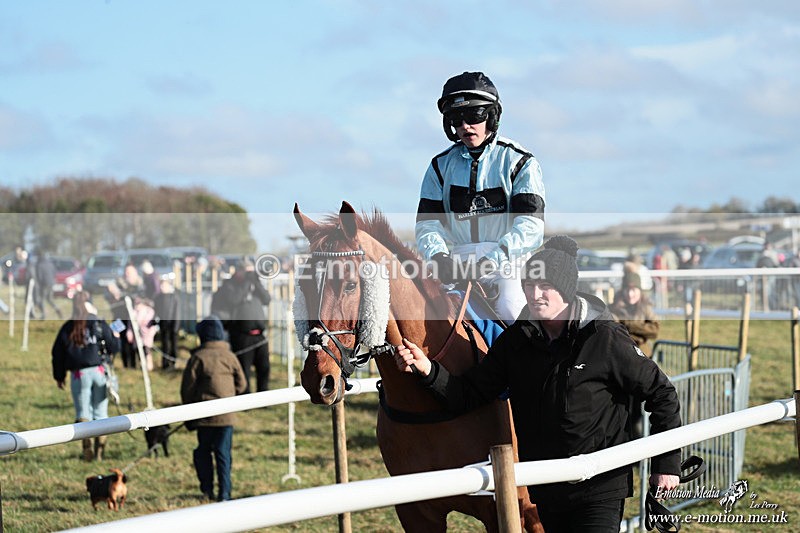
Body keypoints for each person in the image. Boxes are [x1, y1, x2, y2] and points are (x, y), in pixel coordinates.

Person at [394, 235, 681, 532]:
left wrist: (667, 465)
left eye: (546, 286)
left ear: (567, 290)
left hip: (599, 489)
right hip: (544, 488)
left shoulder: (604, 338)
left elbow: (662, 393)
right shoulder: (514, 343)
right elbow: (469, 394)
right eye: (529, 286)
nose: (536, 294)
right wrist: (429, 370)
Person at [415, 71, 545, 322]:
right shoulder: (439, 167)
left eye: (474, 116)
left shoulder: (519, 161)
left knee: (510, 308)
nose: (465, 126)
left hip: (508, 263)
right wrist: (438, 257)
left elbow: (531, 227)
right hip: (457, 262)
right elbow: (427, 225)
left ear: (492, 116)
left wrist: (492, 260)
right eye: (456, 118)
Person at [181, 315, 247, 502]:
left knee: (203, 452)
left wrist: (189, 411)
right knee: (223, 454)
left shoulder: (197, 358)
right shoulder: (230, 356)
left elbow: (187, 388)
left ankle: (207, 489)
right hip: (226, 417)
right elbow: (242, 385)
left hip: (204, 416)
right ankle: (225, 493)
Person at [51, 291, 121, 461]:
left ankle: (86, 448)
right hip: (99, 372)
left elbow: (58, 353)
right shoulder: (98, 322)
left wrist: (59, 376)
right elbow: (113, 347)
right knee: (101, 412)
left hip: (78, 374)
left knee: (83, 413)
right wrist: (117, 338)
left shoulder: (69, 326)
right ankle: (99, 452)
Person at [211, 260, 272, 393]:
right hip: (241, 335)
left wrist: (256, 282)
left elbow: (267, 299)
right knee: (244, 369)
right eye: (247, 271)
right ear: (239, 271)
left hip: (259, 335)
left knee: (264, 367)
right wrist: (246, 282)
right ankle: (245, 398)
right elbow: (234, 300)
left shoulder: (255, 284)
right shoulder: (229, 285)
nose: (249, 274)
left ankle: (264, 396)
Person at [609, 270, 660, 357]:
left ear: (640, 290)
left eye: (633, 290)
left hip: (643, 355)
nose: (630, 294)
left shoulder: (645, 307)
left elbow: (654, 331)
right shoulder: (614, 308)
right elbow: (615, 332)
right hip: (620, 354)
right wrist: (640, 334)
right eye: (627, 290)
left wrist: (628, 324)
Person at [153, 278, 181, 369]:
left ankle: (173, 362)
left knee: (173, 344)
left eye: (164, 285)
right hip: (163, 324)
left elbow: (177, 312)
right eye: (161, 285)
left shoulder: (174, 297)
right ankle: (165, 364)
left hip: (172, 324)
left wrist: (176, 326)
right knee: (165, 344)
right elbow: (156, 311)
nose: (162, 287)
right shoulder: (158, 298)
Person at [34, 252, 63, 320]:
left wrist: (39, 285)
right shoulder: (50, 263)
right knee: (49, 299)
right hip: (51, 283)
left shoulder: (39, 265)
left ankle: (44, 315)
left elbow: (39, 276)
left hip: (44, 284)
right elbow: (54, 273)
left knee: (41, 300)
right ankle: (57, 308)